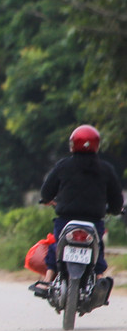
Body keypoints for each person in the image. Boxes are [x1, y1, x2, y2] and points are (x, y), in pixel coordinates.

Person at [39, 125, 123, 293]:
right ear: (97, 145)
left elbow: (46, 191)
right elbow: (116, 200)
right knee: (97, 248)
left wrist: (48, 200)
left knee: (56, 244)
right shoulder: (106, 169)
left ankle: (48, 278)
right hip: (93, 223)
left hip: (65, 221)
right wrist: (114, 210)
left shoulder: (63, 166)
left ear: (72, 145)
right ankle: (99, 279)